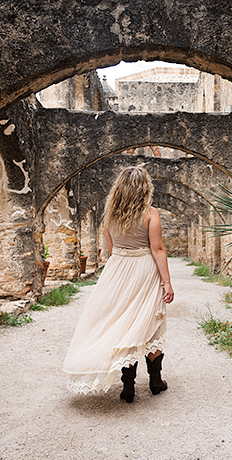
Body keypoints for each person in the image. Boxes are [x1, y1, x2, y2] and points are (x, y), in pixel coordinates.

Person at [63, 166, 174, 403]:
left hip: (118, 270)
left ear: (119, 188)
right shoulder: (150, 213)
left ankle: (128, 387)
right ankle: (155, 381)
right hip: (144, 270)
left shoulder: (110, 214)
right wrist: (167, 283)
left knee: (122, 323)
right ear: (145, 188)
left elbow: (111, 248)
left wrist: (124, 259)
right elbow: (157, 249)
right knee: (150, 323)